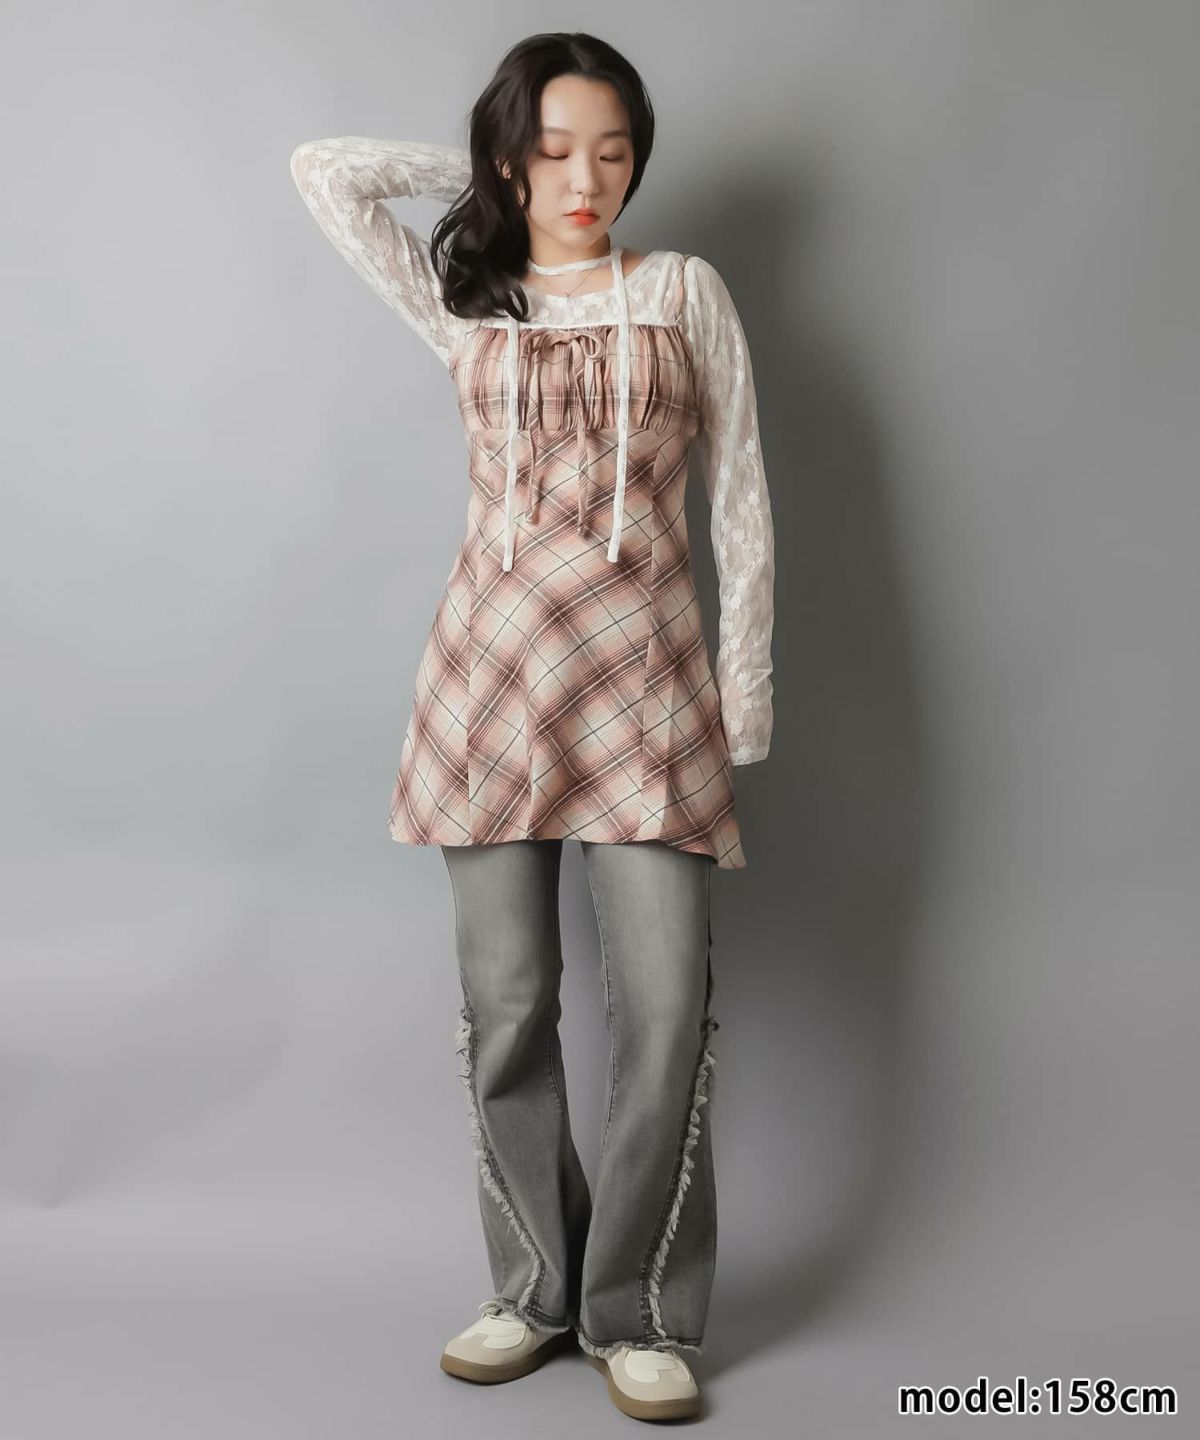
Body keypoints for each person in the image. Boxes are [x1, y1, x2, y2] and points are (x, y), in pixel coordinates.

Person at [289, 30, 774, 1423]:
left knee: (665, 1010)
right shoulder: (467, 298)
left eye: (612, 152)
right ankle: (530, 1290)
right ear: (511, 159)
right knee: (507, 1009)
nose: (585, 179)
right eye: (553, 150)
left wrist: (742, 693)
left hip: (646, 690)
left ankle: (637, 1312)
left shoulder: (680, 290)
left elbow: (739, 492)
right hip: (487, 685)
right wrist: (489, 172)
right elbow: (324, 173)